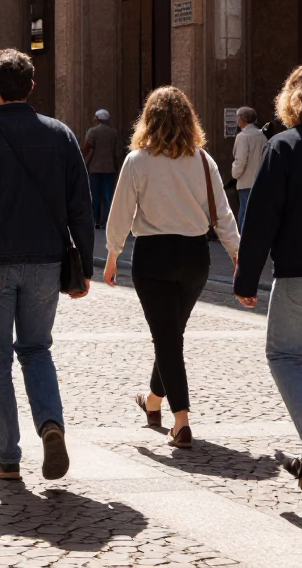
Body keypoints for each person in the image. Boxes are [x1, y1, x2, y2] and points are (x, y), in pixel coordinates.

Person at [0, 48, 94, 481]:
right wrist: (84, 266)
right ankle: (50, 424)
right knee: (37, 349)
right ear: (30, 87)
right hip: (46, 262)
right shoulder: (60, 135)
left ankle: (7, 456)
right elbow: (81, 206)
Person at [104, 86, 238, 450]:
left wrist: (113, 254)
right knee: (171, 334)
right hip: (195, 257)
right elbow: (222, 213)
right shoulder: (203, 160)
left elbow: (120, 214)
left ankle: (181, 422)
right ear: (188, 119)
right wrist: (237, 253)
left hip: (154, 256)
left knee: (167, 337)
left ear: (149, 118)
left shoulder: (138, 160)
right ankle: (152, 402)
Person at [234, 58, 302, 491]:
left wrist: (246, 277)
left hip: (299, 272)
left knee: (284, 356)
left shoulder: (286, 146)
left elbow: (261, 219)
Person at [83, 109, 120, 230]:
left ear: (96, 119)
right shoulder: (113, 133)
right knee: (107, 196)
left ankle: (95, 221)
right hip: (109, 168)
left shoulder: (93, 131)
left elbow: (87, 148)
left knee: (95, 196)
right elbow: (116, 152)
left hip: (95, 168)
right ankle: (106, 221)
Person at [230, 106, 266, 232]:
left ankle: (242, 242)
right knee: (258, 213)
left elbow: (240, 160)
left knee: (244, 212)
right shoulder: (262, 135)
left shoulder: (242, 136)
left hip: (246, 181)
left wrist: (235, 174)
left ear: (241, 119)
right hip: (260, 180)